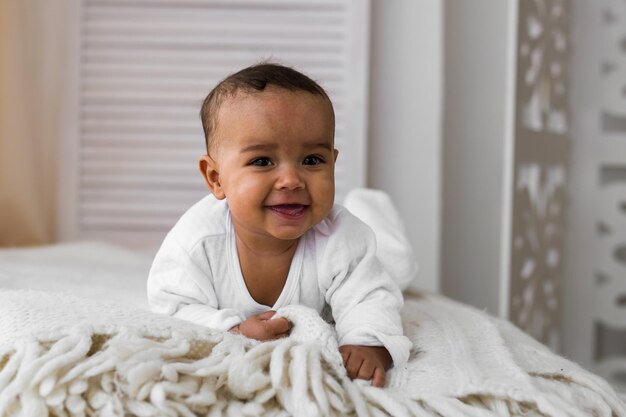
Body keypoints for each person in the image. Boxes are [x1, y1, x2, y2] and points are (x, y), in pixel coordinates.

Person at [147, 63, 411, 387]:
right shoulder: (197, 241)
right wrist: (233, 330)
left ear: (332, 162)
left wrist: (368, 341)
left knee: (396, 269)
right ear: (216, 178)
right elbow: (171, 307)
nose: (290, 180)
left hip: (370, 250)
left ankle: (372, 209)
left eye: (312, 160)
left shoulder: (343, 237)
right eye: (262, 161)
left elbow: (370, 296)